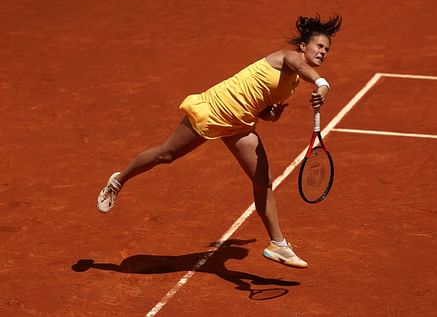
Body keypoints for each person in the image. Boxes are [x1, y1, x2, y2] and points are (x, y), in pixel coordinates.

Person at [97, 15, 342, 269]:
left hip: (240, 124)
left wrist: (270, 115)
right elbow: (308, 73)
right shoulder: (288, 58)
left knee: (263, 180)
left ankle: (277, 244)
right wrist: (323, 84)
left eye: (327, 49)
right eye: (319, 46)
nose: (323, 52)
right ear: (303, 46)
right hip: (215, 109)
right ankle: (117, 181)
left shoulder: (293, 82)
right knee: (166, 154)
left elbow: (260, 106)